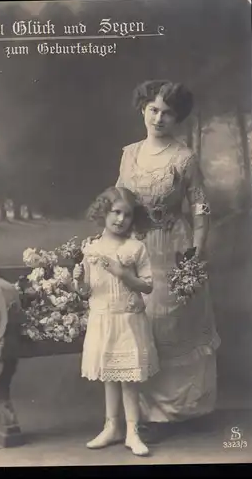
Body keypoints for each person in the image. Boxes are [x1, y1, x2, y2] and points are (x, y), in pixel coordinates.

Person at [115, 80, 221, 438]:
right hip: (136, 246)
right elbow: (119, 200)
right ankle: (143, 414)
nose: (159, 118)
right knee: (139, 323)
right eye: (153, 110)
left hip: (173, 247)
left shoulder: (184, 157)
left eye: (168, 112)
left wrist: (197, 248)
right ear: (143, 109)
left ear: (178, 118)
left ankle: (177, 411)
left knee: (171, 323)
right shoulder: (129, 153)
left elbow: (201, 205)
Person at [73, 186, 159, 456]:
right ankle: (112, 427)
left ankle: (132, 431)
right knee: (109, 375)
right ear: (103, 212)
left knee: (128, 379)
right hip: (103, 319)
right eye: (115, 212)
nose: (121, 220)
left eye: (128, 215)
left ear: (135, 220)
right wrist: (77, 281)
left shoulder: (135, 248)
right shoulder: (91, 248)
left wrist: (123, 273)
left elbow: (147, 286)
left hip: (127, 321)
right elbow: (87, 291)